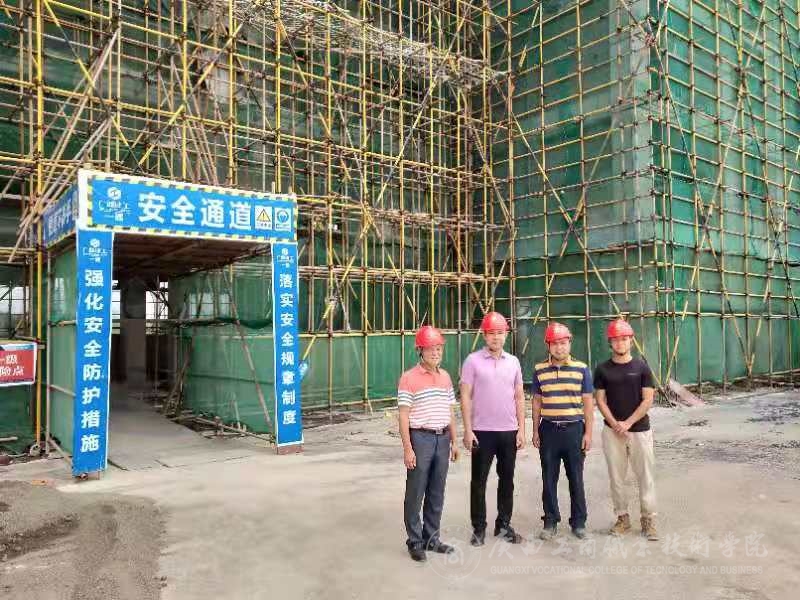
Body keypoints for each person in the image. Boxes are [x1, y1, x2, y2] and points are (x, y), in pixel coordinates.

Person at [460, 311, 525, 546]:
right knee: (478, 481)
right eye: (491, 333)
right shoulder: (472, 361)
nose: (496, 337)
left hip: (508, 431)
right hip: (482, 432)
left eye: (500, 332)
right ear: (484, 335)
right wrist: (468, 430)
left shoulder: (513, 362)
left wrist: (521, 429)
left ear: (506, 334)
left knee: (507, 480)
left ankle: (503, 524)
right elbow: (465, 396)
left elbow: (519, 396)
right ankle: (479, 528)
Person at [398, 325, 460, 562]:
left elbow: (450, 411)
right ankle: (415, 541)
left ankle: (431, 538)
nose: (435, 352)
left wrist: (454, 441)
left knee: (436, 491)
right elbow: (403, 415)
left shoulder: (445, 377)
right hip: (420, 438)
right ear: (420, 351)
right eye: (430, 348)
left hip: (442, 438)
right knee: (416, 492)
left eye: (439, 348)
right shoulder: (409, 378)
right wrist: (408, 448)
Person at [594, 318, 659, 541]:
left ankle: (648, 519)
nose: (620, 343)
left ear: (631, 340)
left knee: (645, 475)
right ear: (610, 342)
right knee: (616, 477)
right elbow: (600, 400)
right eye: (615, 339)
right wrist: (614, 423)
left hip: (640, 430)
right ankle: (622, 518)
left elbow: (647, 399)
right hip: (612, 432)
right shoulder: (602, 369)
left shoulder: (642, 367)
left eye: (624, 339)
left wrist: (628, 423)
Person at [531, 322, 594, 540]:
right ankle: (550, 521)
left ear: (569, 343)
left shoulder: (581, 369)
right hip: (549, 430)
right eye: (555, 343)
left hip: (574, 430)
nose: (559, 347)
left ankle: (579, 522)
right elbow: (536, 402)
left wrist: (588, 433)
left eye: (563, 343)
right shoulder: (539, 370)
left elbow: (588, 403)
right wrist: (535, 431)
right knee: (549, 478)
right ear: (548, 345)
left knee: (576, 477)